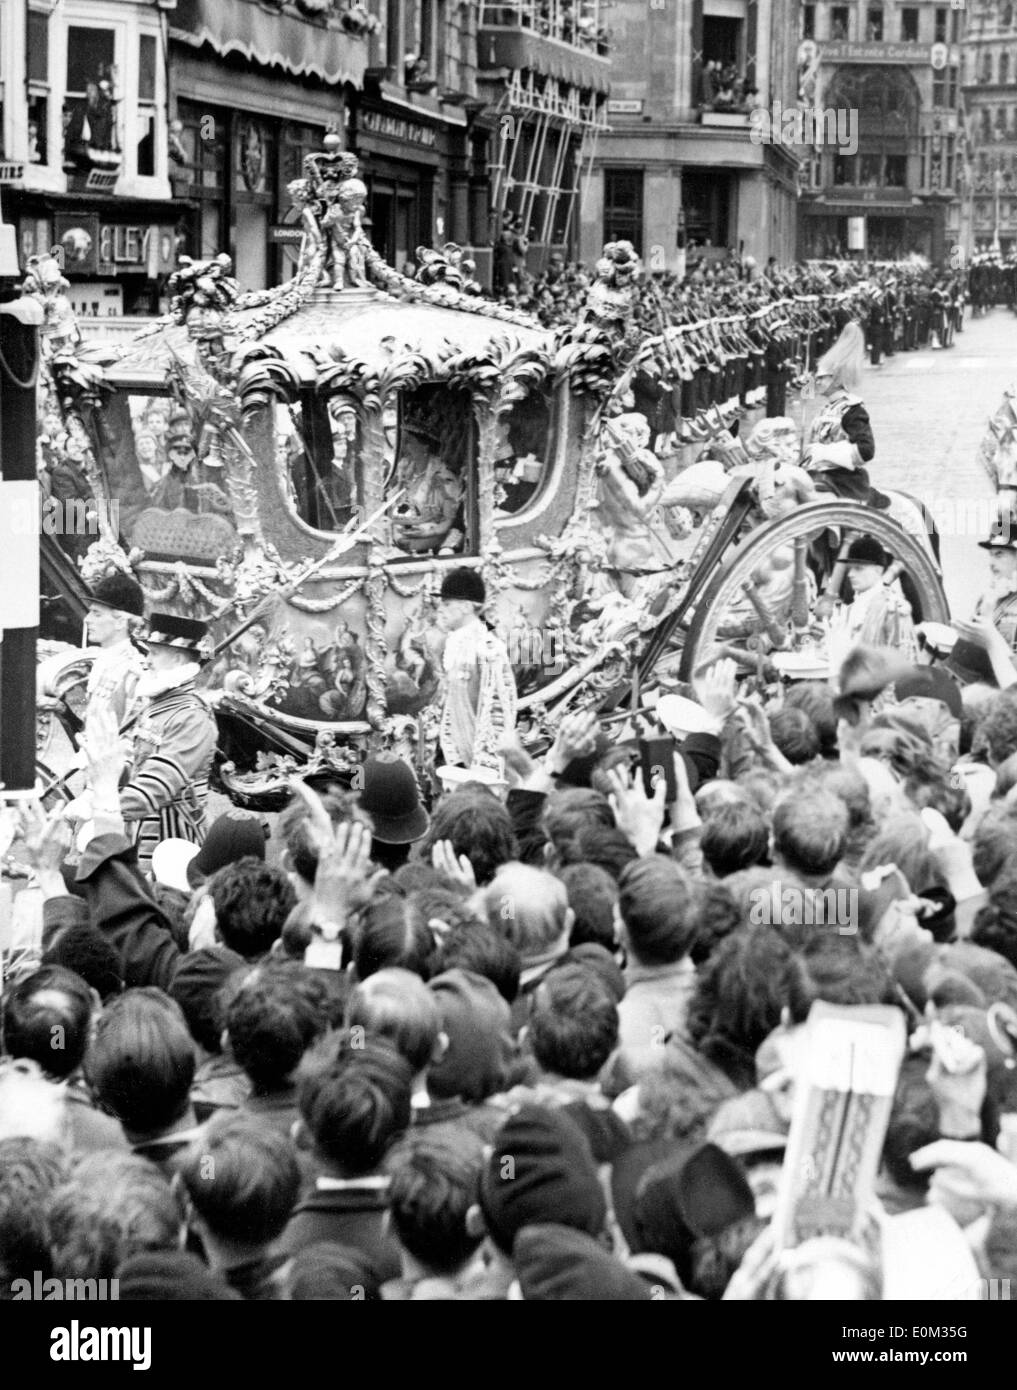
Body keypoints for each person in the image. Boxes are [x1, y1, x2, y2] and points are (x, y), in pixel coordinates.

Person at [120, 613, 218, 870]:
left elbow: (156, 786)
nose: (147, 660)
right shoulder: (157, 707)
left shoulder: (191, 718)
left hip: (175, 843)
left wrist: (102, 807)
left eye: (154, 653)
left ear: (177, 658)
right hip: (142, 831)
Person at [436, 569, 518, 775]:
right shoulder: (455, 644)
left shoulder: (488, 649)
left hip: (480, 761)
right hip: (456, 753)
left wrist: (486, 765)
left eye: (447, 604)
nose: (441, 610)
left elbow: (500, 709)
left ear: (465, 607)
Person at [803, 321, 888, 509]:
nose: (817, 382)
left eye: (821, 378)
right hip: (819, 476)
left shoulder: (852, 409)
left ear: (836, 379)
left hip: (843, 481)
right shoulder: (825, 409)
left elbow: (866, 450)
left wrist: (824, 453)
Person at [82, 572, 147, 728]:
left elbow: (132, 734)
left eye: (97, 614)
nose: (87, 619)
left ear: (120, 622)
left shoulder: (133, 671)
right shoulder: (102, 661)